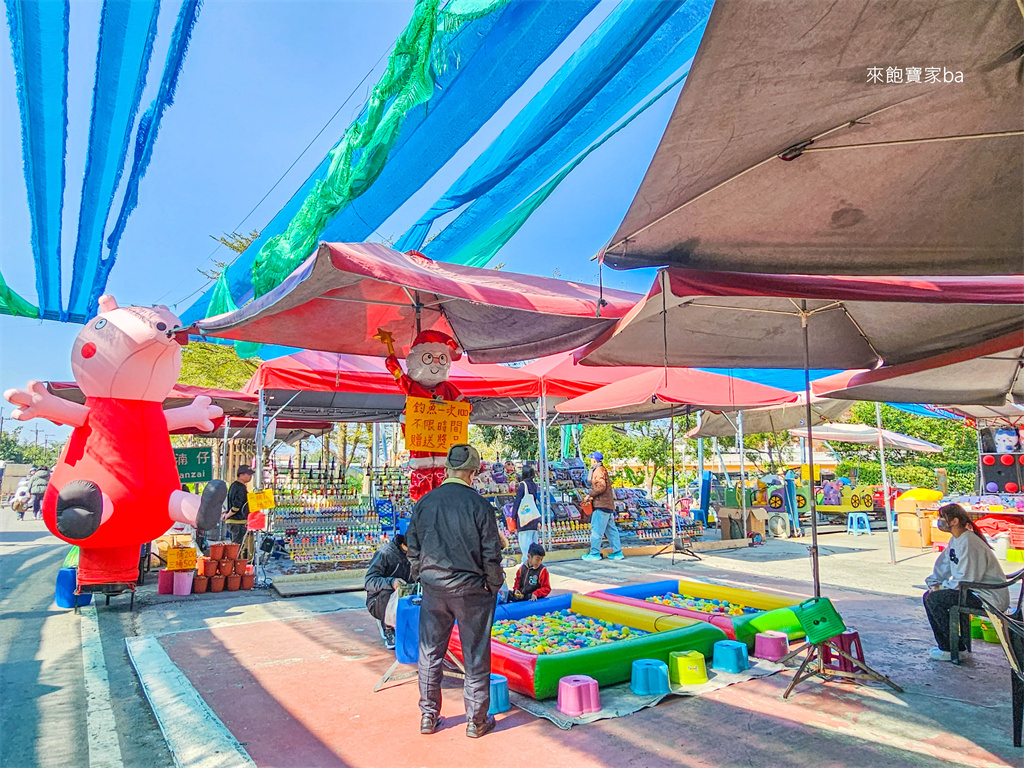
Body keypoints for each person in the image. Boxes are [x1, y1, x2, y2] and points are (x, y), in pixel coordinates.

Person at [406, 443, 504, 739]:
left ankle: (428, 715)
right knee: (475, 654)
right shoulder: (480, 505)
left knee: (430, 652)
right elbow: (492, 553)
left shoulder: (425, 503)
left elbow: (413, 548)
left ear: (447, 469)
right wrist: (493, 586)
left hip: (434, 589)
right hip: (472, 590)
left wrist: (421, 576)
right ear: (473, 472)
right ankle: (476, 720)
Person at [923, 503, 1009, 661]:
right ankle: (950, 645)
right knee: (930, 595)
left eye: (943, 518)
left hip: (988, 597)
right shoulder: (957, 540)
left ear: (954, 521)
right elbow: (944, 565)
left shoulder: (969, 542)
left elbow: (966, 578)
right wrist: (934, 582)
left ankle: (953, 648)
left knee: (935, 599)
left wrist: (942, 587)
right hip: (972, 591)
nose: (940, 521)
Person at [364, 534, 411, 650]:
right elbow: (369, 582)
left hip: (406, 595)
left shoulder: (417, 555)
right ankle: (388, 627)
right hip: (379, 600)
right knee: (388, 593)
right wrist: (391, 582)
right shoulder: (384, 554)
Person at [581, 452, 624, 562]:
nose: (590, 460)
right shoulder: (602, 469)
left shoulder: (598, 470)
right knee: (611, 530)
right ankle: (617, 552)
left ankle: (594, 553)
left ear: (594, 460)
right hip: (608, 505)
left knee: (596, 531)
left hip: (601, 505)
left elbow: (601, 487)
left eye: (591, 458)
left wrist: (589, 495)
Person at [512, 465, 541, 559]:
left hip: (524, 519)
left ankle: (525, 562)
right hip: (533, 517)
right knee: (533, 543)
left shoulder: (522, 485)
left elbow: (517, 501)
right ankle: (534, 562)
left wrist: (513, 516)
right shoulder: (534, 485)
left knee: (525, 544)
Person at [225, 467, 253, 545]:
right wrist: (228, 515)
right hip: (237, 521)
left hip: (234, 521)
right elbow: (236, 506)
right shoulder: (240, 488)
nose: (250, 476)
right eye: (248, 474)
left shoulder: (235, 486)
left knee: (235, 545)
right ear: (241, 475)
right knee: (237, 546)